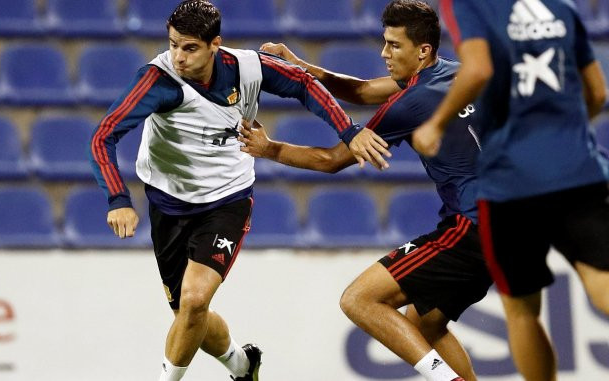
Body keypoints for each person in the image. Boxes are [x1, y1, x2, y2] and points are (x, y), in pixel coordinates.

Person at [88, 1, 389, 380]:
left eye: (190, 47)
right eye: (173, 44)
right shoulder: (157, 81)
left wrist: (350, 131)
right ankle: (242, 365)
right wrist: (118, 199)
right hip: (168, 203)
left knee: (195, 299)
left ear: (215, 44)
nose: (178, 56)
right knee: (189, 313)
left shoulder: (248, 67)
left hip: (227, 199)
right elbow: (102, 137)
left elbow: (304, 83)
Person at [244, 1, 491, 380]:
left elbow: (331, 160)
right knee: (425, 323)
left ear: (422, 50)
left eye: (394, 45)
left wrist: (269, 148)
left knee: (359, 299)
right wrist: (302, 68)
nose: (384, 53)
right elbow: (361, 91)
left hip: (472, 227)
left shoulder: (410, 103)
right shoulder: (457, 74)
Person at [411, 1, 609, 380]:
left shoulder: (468, 5)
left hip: (509, 183)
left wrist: (436, 124)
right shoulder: (561, 8)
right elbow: (597, 94)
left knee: (521, 311)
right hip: (578, 169)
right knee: (603, 281)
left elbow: (479, 68)